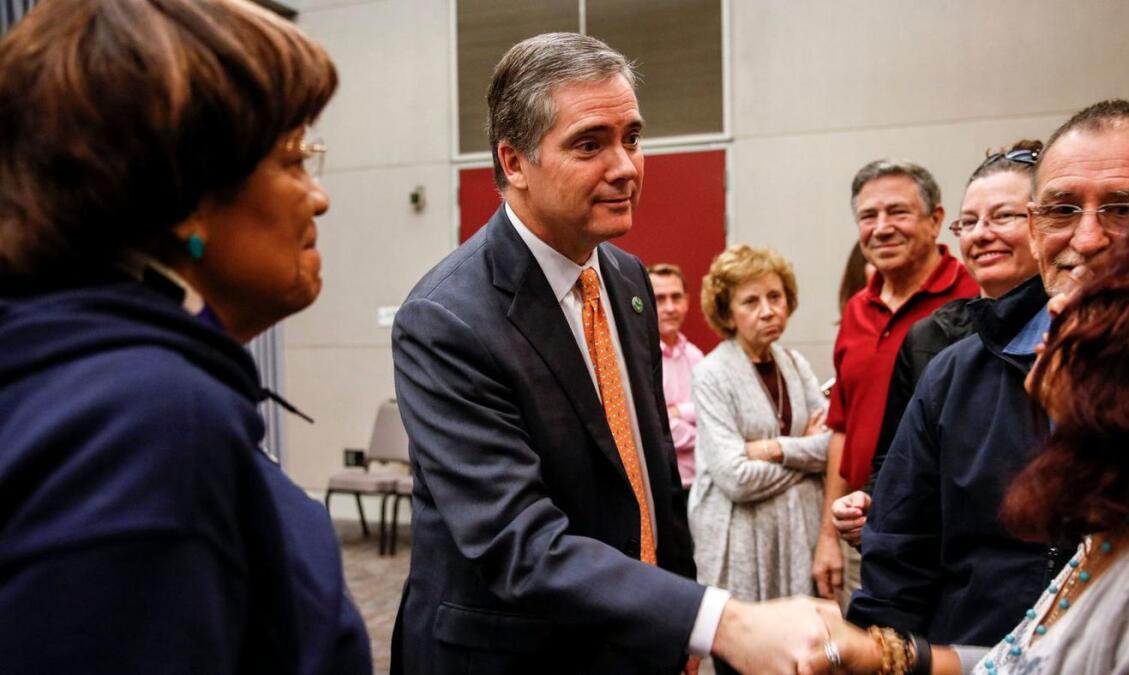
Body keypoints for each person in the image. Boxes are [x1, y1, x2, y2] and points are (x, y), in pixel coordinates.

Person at [390, 33, 822, 675]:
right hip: (518, 656)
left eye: (633, 137)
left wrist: (680, 631)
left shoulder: (625, 278)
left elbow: (650, 477)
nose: (625, 166)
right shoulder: (446, 320)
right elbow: (518, 542)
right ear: (514, 162)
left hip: (633, 640)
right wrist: (714, 620)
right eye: (590, 143)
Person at [0, 1, 369, 673]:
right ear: (189, 198)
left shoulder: (76, 377)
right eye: (292, 160)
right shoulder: (146, 423)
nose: (319, 197)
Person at [802, 194, 1129, 675]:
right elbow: (1030, 662)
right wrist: (882, 652)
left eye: (1093, 304)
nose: (1053, 314)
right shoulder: (1117, 531)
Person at [846, 99, 1129, 646]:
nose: (1087, 239)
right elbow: (896, 576)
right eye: (1061, 210)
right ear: (1035, 229)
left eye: (1123, 209)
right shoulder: (954, 378)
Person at [834, 140, 1043, 543]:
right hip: (919, 543)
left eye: (1003, 216)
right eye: (971, 222)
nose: (882, 227)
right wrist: (869, 503)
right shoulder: (925, 332)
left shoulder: (1072, 329)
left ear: (934, 221)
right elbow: (890, 453)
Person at [814, 160, 979, 603]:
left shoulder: (974, 300)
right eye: (869, 216)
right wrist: (829, 536)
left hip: (943, 543)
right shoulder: (857, 311)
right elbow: (842, 429)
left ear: (936, 220)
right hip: (862, 536)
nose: (882, 228)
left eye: (898, 212)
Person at [687, 245, 830, 627]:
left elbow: (832, 448)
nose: (767, 310)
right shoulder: (712, 373)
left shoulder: (795, 364)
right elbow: (736, 478)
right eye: (750, 301)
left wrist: (772, 449)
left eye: (775, 297)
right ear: (727, 313)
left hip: (797, 534)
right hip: (742, 540)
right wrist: (805, 459)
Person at [649, 263, 704, 491]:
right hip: (666, 488)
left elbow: (714, 411)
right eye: (660, 299)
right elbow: (658, 426)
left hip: (703, 485)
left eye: (676, 297)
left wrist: (679, 411)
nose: (670, 307)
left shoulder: (696, 356)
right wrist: (709, 438)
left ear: (687, 301)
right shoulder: (641, 360)